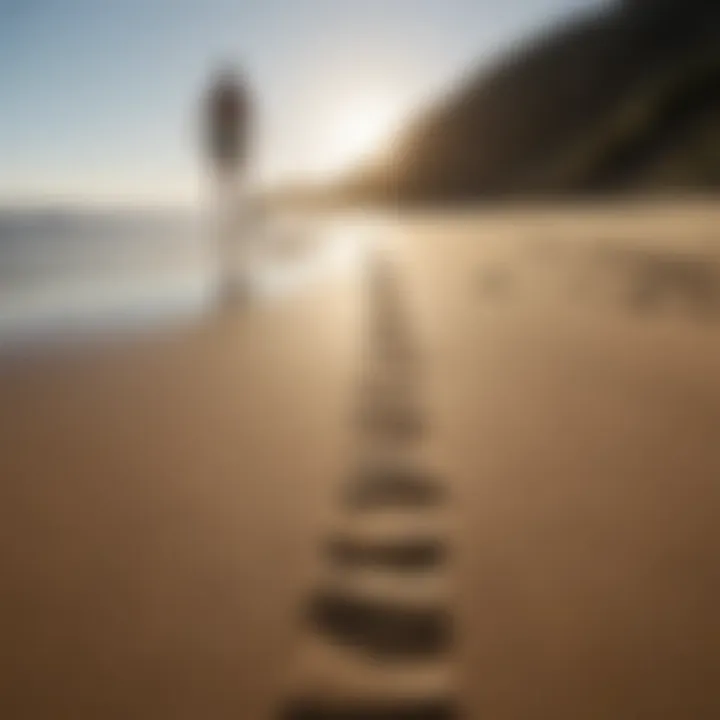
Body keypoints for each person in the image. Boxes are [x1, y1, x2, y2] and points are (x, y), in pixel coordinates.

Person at [204, 65, 252, 303]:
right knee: (229, 215)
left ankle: (232, 270)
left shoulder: (226, 99)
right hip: (230, 163)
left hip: (229, 163)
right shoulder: (230, 99)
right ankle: (231, 270)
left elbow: (223, 130)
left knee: (229, 215)